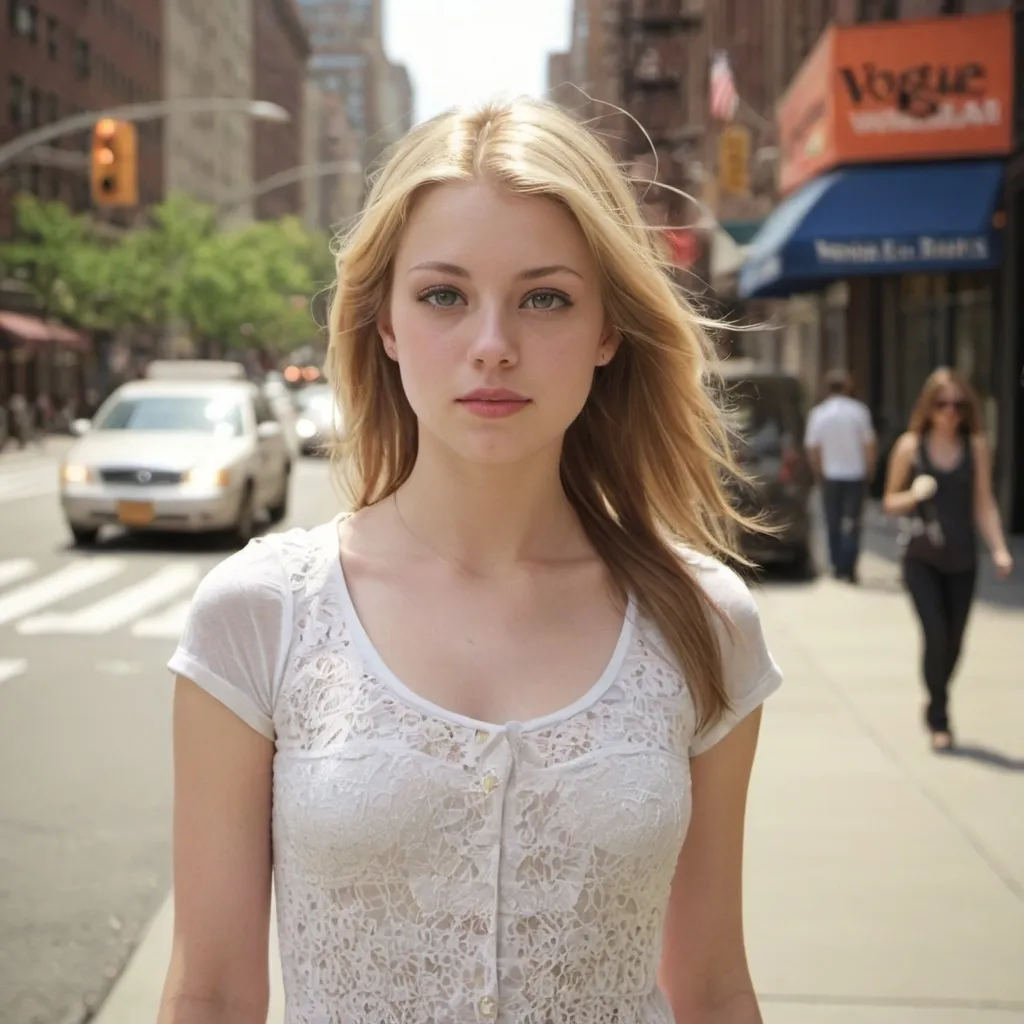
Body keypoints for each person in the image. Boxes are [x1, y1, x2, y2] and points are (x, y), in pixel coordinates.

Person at [159, 98, 783, 1024]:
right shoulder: (260, 614)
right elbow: (209, 995)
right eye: (444, 294)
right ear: (387, 327)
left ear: (608, 329)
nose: (493, 345)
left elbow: (716, 988)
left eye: (545, 297)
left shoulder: (705, 620)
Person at [883, 367, 1013, 751]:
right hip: (921, 559)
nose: (950, 412)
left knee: (955, 643)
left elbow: (984, 502)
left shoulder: (976, 447)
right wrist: (914, 494)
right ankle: (940, 717)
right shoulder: (910, 446)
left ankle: (935, 695)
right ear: (929, 407)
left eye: (958, 405)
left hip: (962, 559)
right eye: (942, 404)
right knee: (936, 635)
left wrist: (1000, 548)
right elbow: (890, 501)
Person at [804, 370, 876, 583]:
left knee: (832, 522)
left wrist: (818, 471)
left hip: (830, 475)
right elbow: (869, 445)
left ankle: (837, 565)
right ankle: (850, 566)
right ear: (847, 387)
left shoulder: (819, 413)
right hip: (855, 474)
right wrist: (870, 470)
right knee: (853, 522)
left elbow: (812, 447)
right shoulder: (858, 411)